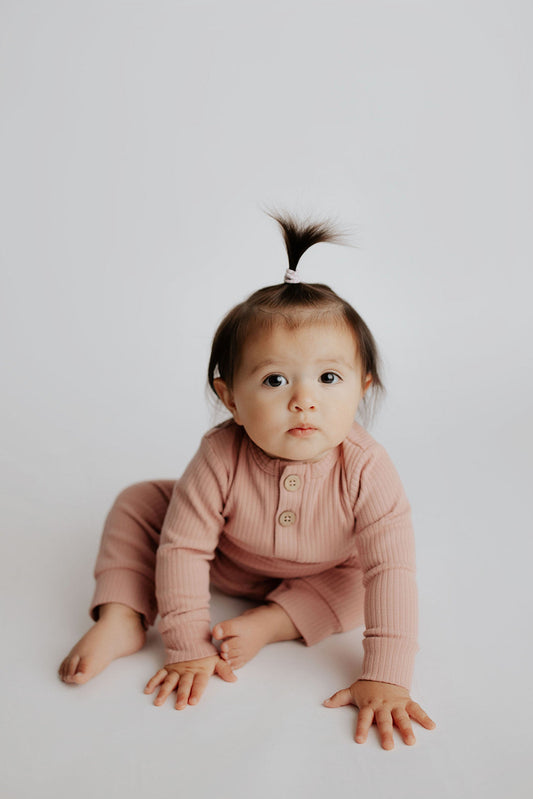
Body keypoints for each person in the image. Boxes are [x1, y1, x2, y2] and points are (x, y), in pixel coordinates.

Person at [58, 212, 436, 750]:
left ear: (362, 387)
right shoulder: (219, 454)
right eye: (275, 379)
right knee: (141, 501)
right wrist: (187, 643)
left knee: (364, 584)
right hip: (228, 558)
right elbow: (184, 547)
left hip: (325, 572)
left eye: (329, 377)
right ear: (230, 397)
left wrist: (387, 675)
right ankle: (123, 614)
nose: (304, 399)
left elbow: (390, 571)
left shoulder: (368, 467)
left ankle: (272, 623)